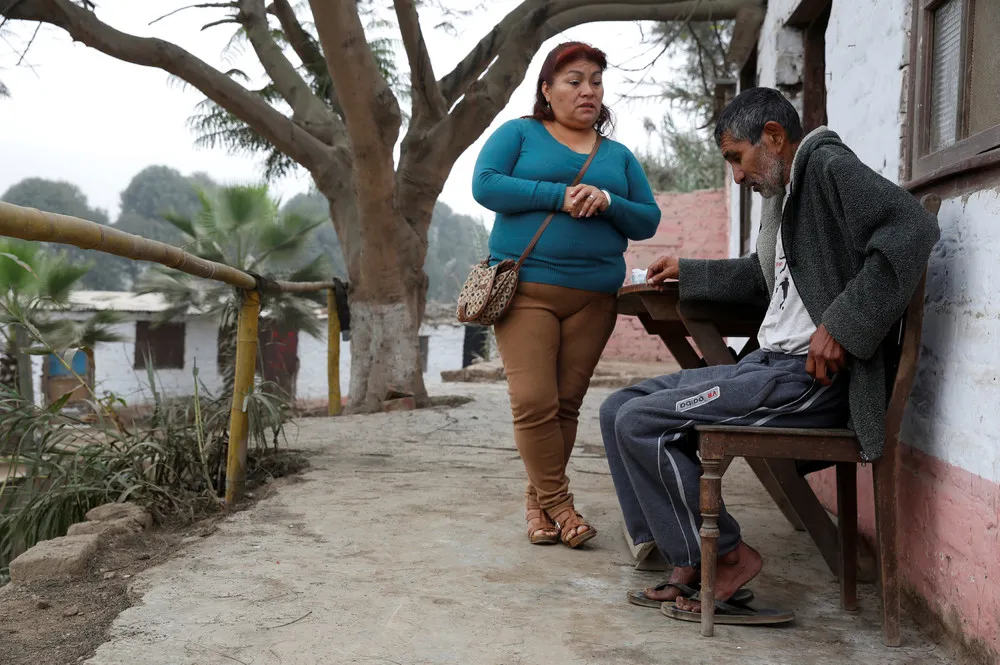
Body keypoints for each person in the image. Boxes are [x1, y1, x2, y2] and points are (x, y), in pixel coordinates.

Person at [600, 87, 939, 619]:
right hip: (769, 365)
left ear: (775, 137)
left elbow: (912, 227)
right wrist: (690, 270)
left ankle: (727, 559)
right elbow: (769, 283)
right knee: (616, 409)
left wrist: (844, 326)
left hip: (811, 380)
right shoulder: (788, 196)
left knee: (642, 422)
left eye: (737, 158)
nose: (736, 175)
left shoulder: (826, 166)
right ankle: (689, 558)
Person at [472, 42, 661, 548]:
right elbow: (485, 185)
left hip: (594, 298)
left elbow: (647, 218)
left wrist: (608, 199)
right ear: (546, 89)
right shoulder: (520, 134)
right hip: (527, 289)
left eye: (596, 80)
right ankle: (560, 503)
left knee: (565, 405)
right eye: (574, 80)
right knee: (533, 400)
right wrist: (559, 195)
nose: (588, 91)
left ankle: (538, 504)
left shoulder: (617, 156)